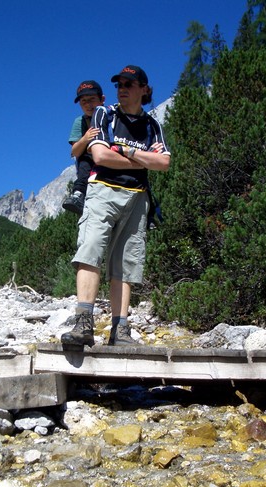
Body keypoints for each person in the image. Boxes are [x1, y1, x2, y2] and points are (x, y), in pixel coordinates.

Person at [61, 65, 171, 347]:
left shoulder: (152, 125)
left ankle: (119, 331)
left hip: (137, 197)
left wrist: (125, 150)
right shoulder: (105, 113)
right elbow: (100, 155)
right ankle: (83, 324)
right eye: (119, 84)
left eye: (129, 84)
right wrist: (143, 160)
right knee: (90, 249)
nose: (122, 89)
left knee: (126, 262)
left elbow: (164, 163)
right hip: (102, 189)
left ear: (144, 89)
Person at [62, 80, 105, 215]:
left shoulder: (112, 116)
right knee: (84, 158)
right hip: (90, 161)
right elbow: (75, 151)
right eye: (83, 101)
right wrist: (86, 138)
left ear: (102, 99)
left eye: (92, 99)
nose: (88, 104)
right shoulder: (80, 122)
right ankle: (79, 193)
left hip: (111, 157)